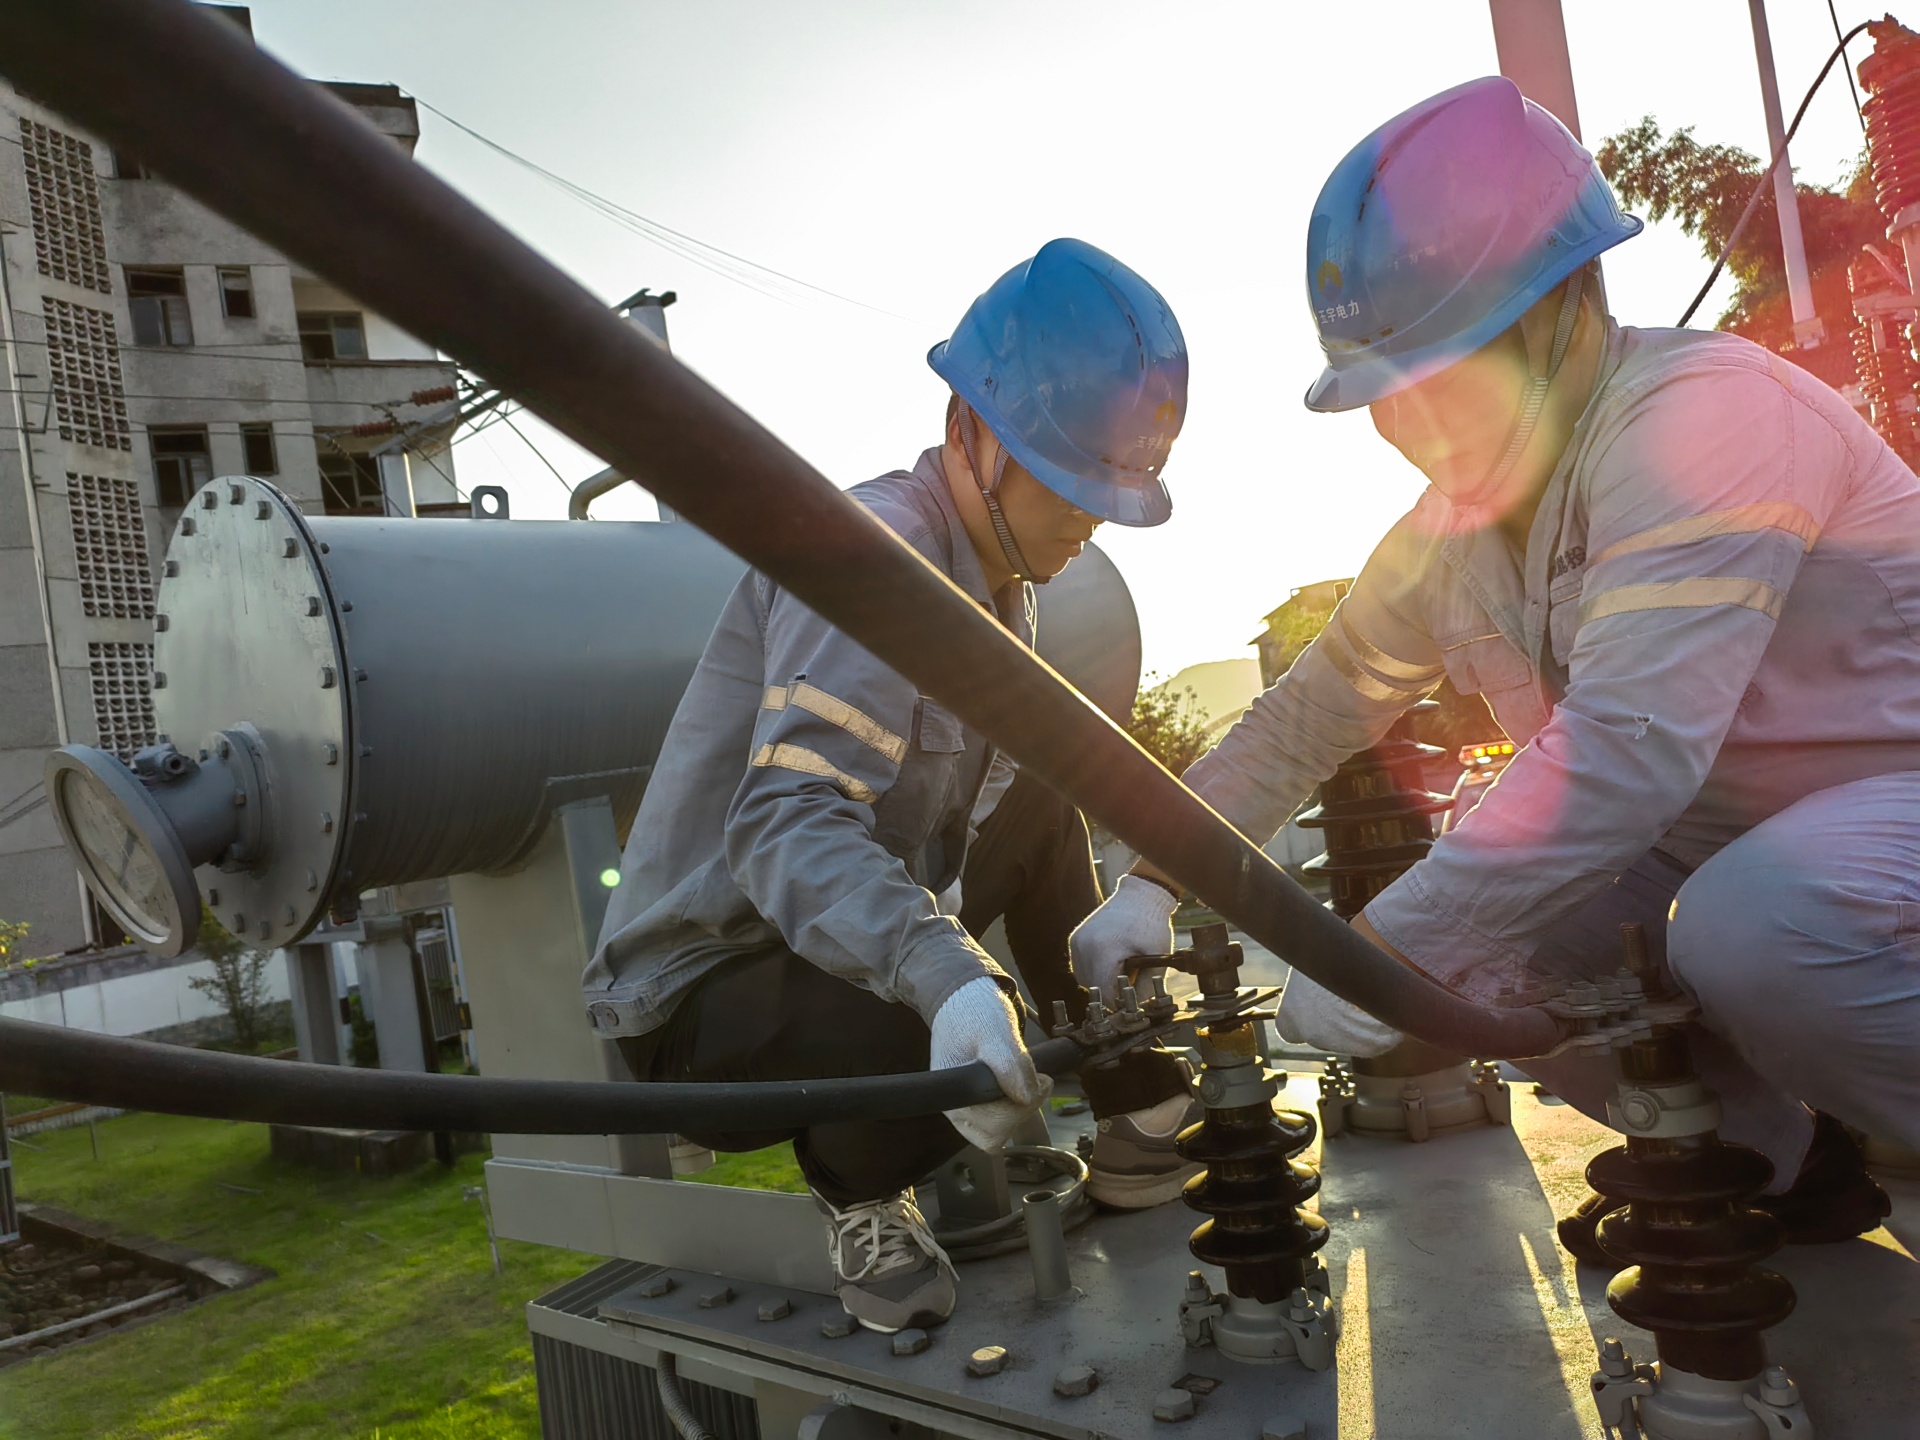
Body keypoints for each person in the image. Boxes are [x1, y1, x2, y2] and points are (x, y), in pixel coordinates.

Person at [1071, 77, 1908, 1266]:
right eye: (1384, 394)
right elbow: (1309, 713)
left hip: (1893, 804)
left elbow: (1626, 746)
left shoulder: (1704, 416)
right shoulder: (1457, 527)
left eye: (1441, 374)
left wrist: (1383, 959)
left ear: (1567, 306)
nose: (1414, 425)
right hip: (1740, 835)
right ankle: (1782, 1171)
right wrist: (1154, 878)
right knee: (1502, 942)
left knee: (1756, 924)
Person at [582, 238, 1198, 1335]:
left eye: (1106, 490)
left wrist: (1120, 918)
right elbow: (784, 827)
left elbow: (988, 826)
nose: (1088, 517)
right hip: (702, 994)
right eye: (1066, 482)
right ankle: (863, 1195)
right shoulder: (877, 560)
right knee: (935, 993)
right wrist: (944, 968)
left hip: (819, 944)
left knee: (1049, 786)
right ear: (970, 430)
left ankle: (1126, 1096)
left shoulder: (1005, 583)